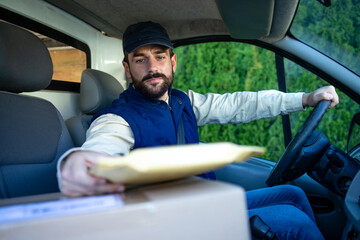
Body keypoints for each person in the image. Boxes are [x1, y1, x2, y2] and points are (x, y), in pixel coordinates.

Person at [58, 21, 339, 239]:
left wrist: (304, 99)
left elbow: (239, 104)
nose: (153, 67)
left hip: (208, 203)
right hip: (176, 224)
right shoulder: (117, 119)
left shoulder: (183, 101)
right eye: (140, 59)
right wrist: (79, 167)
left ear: (173, 62)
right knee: (295, 223)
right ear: (128, 69)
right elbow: (98, 150)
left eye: (159, 57)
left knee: (294, 195)